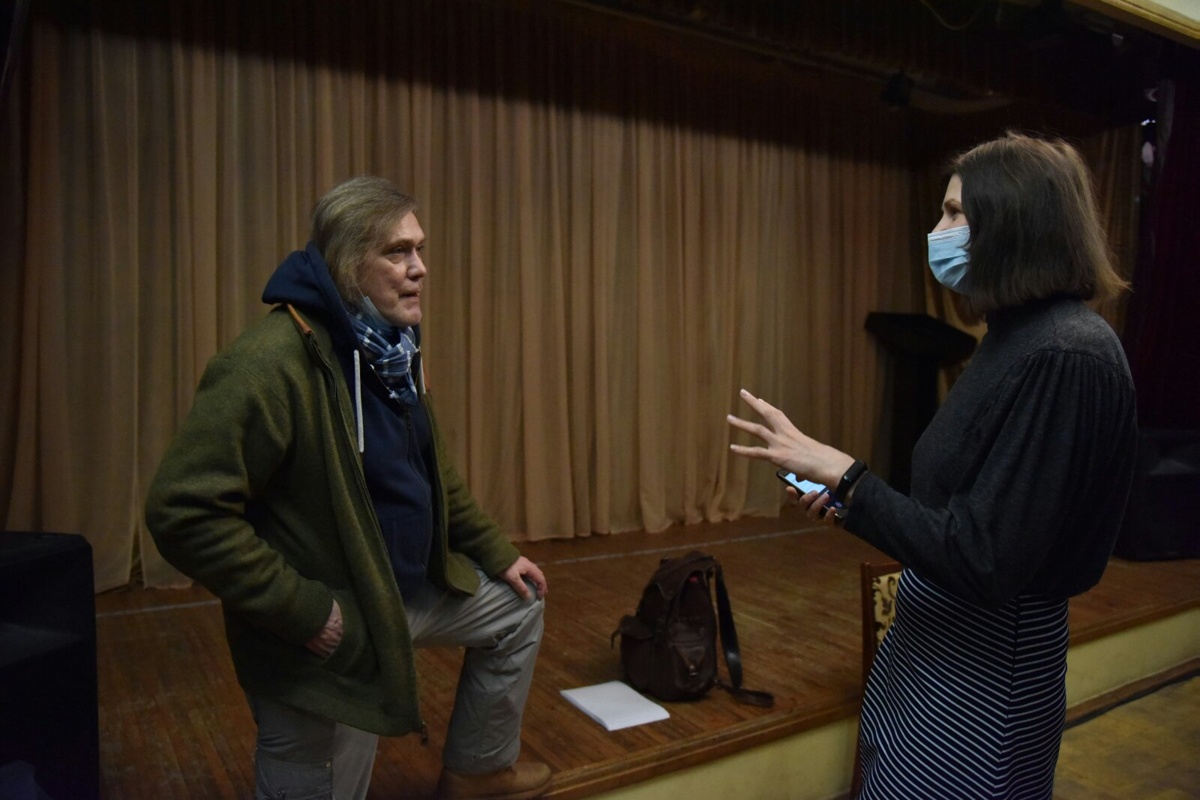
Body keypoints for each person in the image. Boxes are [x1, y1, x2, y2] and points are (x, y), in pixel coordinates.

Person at [727, 132, 1137, 799]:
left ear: (1011, 222)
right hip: (935, 652)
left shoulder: (1066, 353)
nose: (937, 231)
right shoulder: (1013, 334)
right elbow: (956, 518)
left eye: (953, 212)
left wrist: (850, 477)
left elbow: (986, 560)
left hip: (984, 676)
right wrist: (849, 503)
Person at [146, 176, 552, 800]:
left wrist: (496, 553)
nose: (420, 268)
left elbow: (431, 469)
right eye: (397, 252)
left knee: (519, 605)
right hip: (328, 625)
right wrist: (306, 612)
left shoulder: (391, 346)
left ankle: (479, 771)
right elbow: (183, 512)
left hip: (398, 595)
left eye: (419, 249)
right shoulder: (267, 364)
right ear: (347, 263)